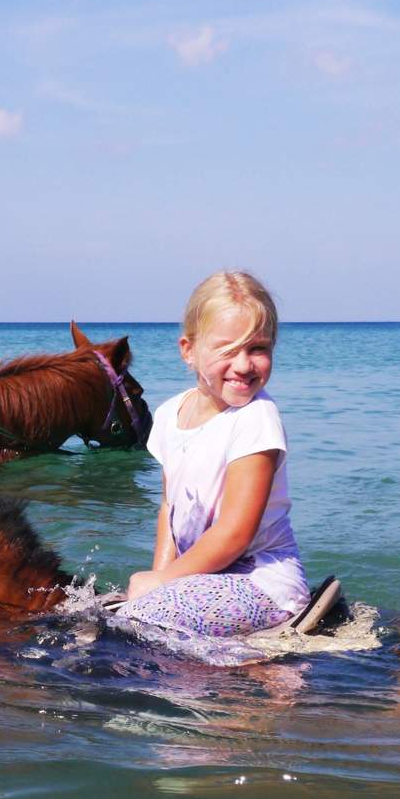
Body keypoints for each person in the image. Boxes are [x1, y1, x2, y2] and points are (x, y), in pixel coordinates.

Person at [119, 271, 310, 645]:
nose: (244, 365)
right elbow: (169, 510)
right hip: (202, 578)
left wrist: (162, 584)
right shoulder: (171, 414)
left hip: (261, 582)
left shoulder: (255, 419)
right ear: (188, 350)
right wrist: (160, 574)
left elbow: (236, 533)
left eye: (258, 348)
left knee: (139, 627)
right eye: (227, 349)